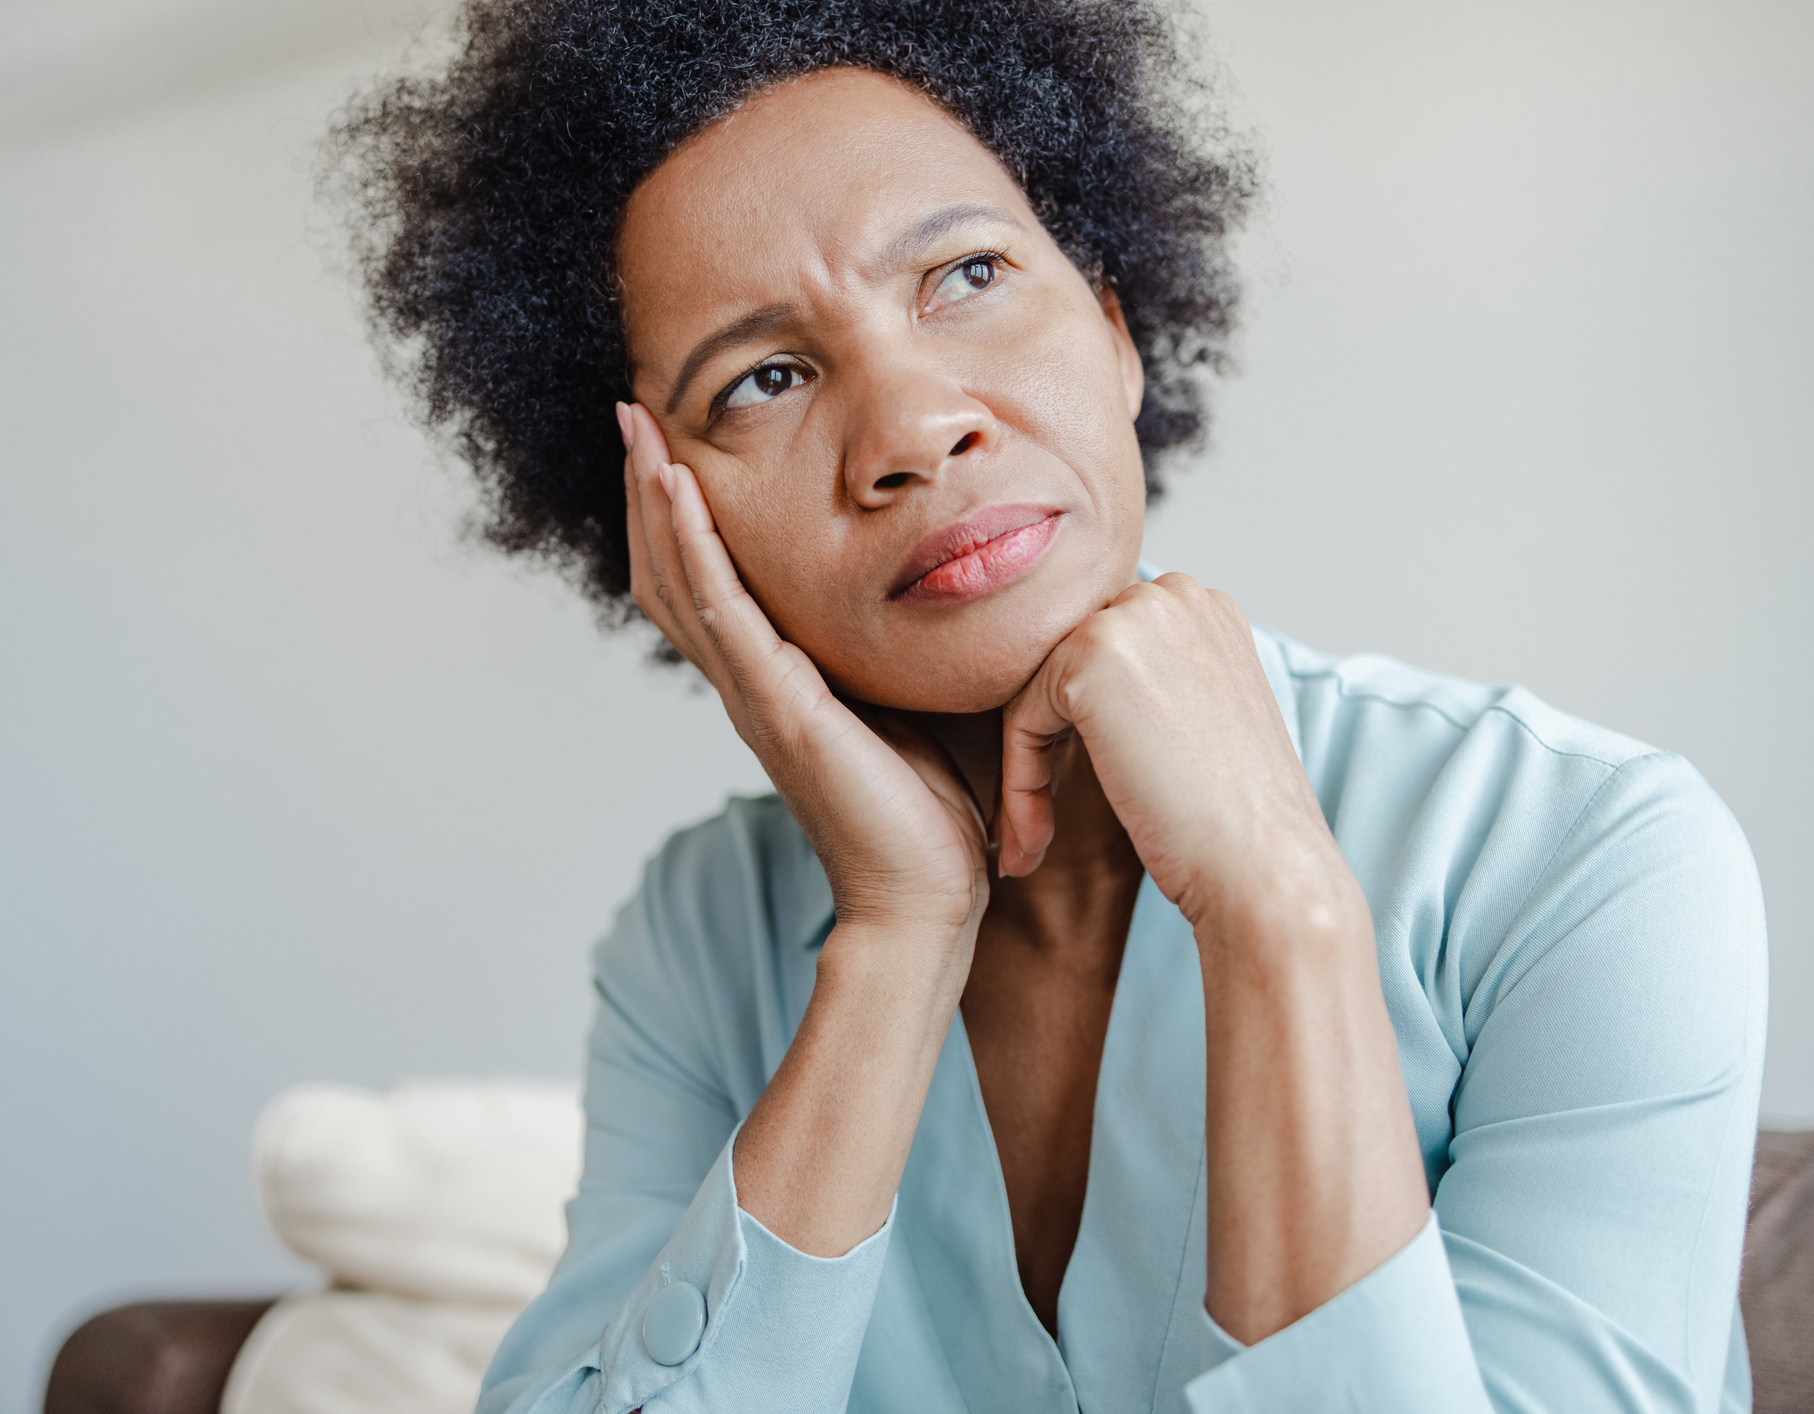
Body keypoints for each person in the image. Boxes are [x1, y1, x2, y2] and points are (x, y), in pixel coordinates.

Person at [330, 2, 1768, 1410]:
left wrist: (1276, 903)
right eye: (764, 379)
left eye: (967, 274)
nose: (912, 429)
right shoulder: (699, 939)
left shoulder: (1582, 852)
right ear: (664, 522)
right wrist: (897, 931)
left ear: (1117, 332)